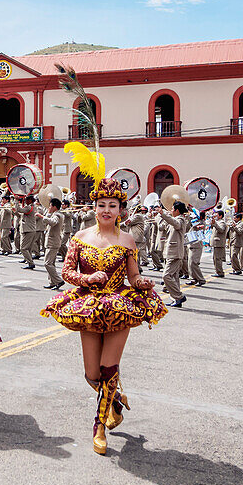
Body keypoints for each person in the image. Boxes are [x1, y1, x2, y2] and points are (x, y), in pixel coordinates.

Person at [41, 150, 166, 455]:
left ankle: (99, 427)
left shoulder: (128, 240)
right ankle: (115, 401)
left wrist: (142, 283)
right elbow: (67, 271)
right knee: (91, 374)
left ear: (120, 209)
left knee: (108, 369)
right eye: (101, 205)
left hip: (119, 307)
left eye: (112, 205)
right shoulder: (80, 236)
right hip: (87, 307)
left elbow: (133, 275)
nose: (106, 210)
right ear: (93, 207)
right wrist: (87, 279)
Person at [159, 201, 189, 307]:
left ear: (177, 210)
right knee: (174, 277)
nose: (171, 210)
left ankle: (179, 296)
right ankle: (175, 299)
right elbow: (161, 227)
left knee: (166, 276)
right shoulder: (175, 219)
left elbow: (175, 224)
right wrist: (162, 215)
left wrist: (163, 214)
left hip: (175, 253)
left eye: (172, 209)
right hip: (171, 252)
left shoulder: (180, 219)